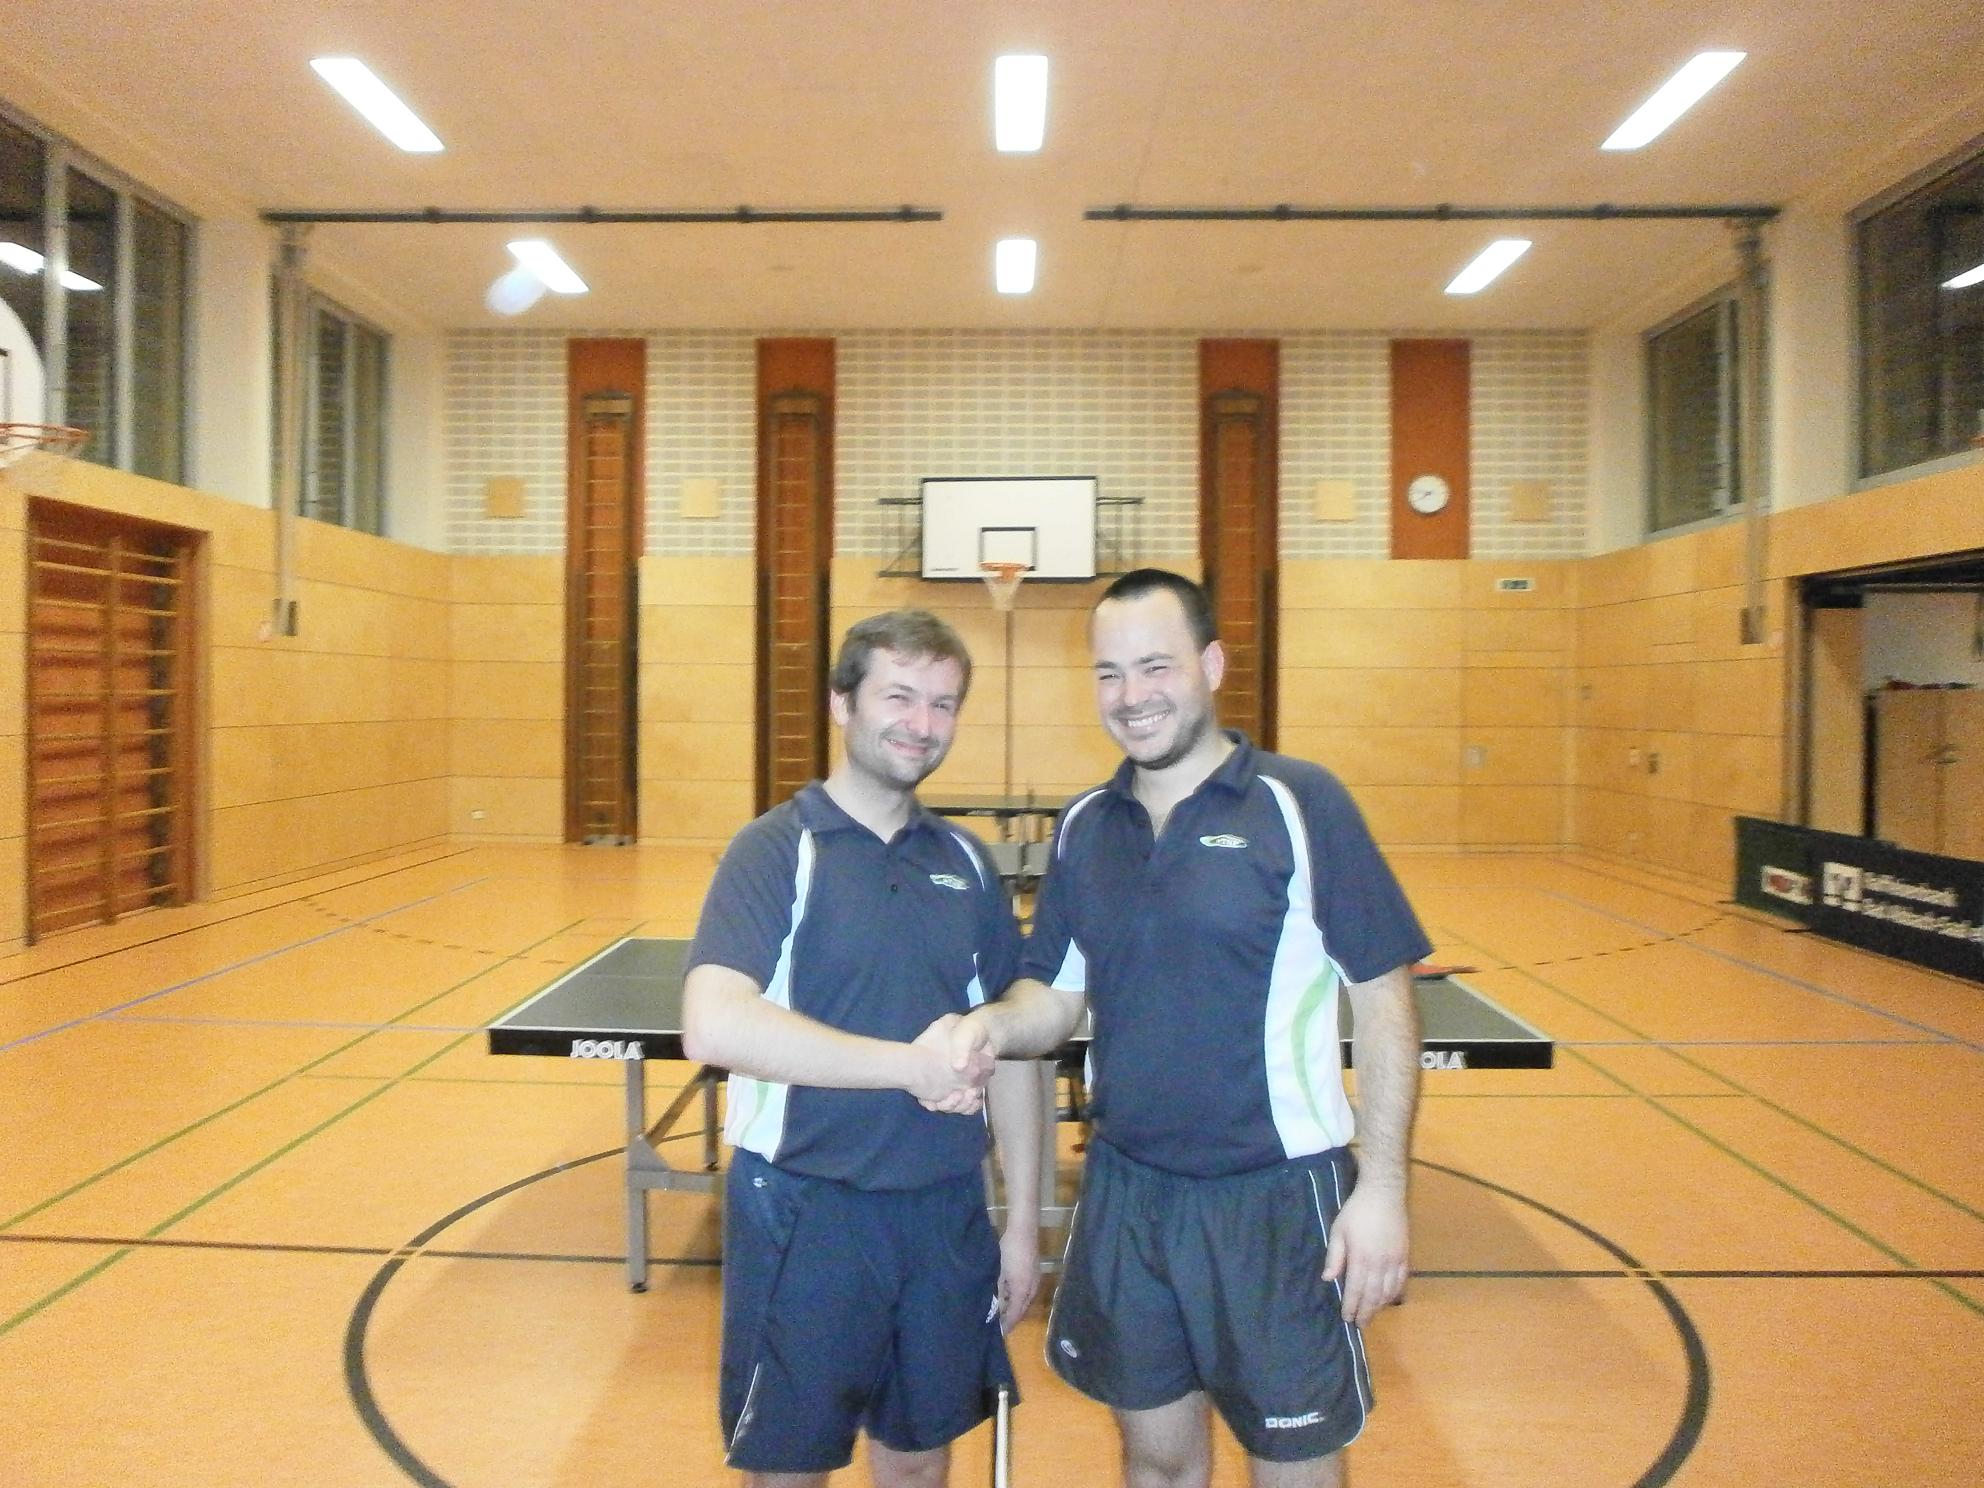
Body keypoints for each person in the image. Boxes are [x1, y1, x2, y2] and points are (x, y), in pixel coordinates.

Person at [946, 569, 1431, 1488]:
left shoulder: (1299, 803)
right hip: (1129, 1193)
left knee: (1293, 1468)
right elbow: (1055, 994)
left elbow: (1383, 995)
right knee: (1157, 1463)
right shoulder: (1087, 825)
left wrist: (1383, 1189)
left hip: (1277, 1201)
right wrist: (991, 1027)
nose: (1132, 695)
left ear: (1210, 666)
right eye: (1109, 673)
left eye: (1155, 666)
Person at [681, 609, 1042, 1487]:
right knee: (788, 1469)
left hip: (944, 1213)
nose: (923, 723)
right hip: (804, 1210)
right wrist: (910, 1067)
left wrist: (1023, 1224)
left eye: (944, 704)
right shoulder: (775, 850)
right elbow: (713, 1023)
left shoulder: (966, 862)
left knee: (919, 1460)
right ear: (842, 703)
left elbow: (1015, 1048)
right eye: (900, 696)